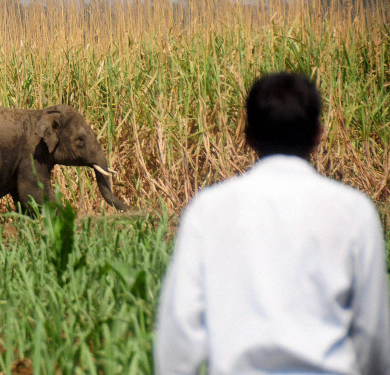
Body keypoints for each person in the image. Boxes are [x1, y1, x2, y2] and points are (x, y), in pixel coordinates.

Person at [155, 72, 390, 374]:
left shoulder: (209, 211)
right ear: (318, 134)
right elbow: (372, 333)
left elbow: (180, 330)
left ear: (248, 136)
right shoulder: (354, 212)